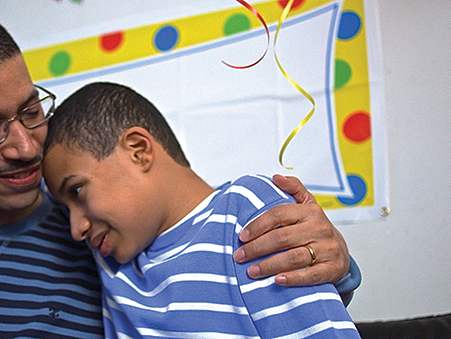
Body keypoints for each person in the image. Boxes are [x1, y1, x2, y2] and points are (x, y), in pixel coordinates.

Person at [0, 5, 357, 338]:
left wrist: (328, 258)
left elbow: (211, 255)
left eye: (30, 111)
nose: (26, 147)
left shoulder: (104, 241)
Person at [42, 81, 361, 338]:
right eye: (65, 207)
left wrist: (341, 269)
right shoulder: (110, 259)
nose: (75, 229)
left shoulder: (246, 213)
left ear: (138, 151)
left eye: (78, 191)